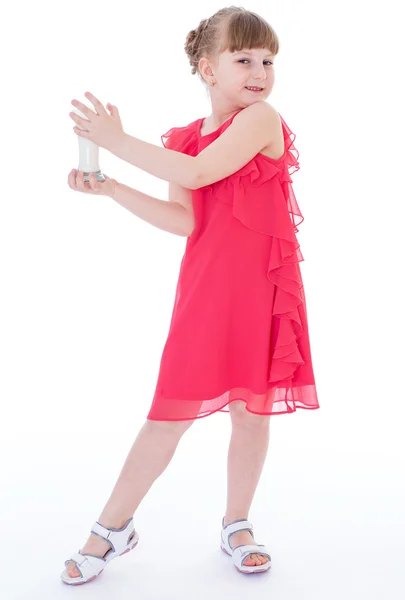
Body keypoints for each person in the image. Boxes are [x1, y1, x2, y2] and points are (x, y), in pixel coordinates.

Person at [62, 6, 320, 584]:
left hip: (260, 291)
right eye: (243, 58)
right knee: (166, 416)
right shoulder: (185, 140)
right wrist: (111, 187)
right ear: (208, 67)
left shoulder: (261, 120)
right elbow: (185, 219)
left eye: (268, 59)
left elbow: (202, 175)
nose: (259, 71)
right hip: (205, 292)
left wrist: (116, 140)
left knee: (251, 415)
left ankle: (237, 522)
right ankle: (111, 529)